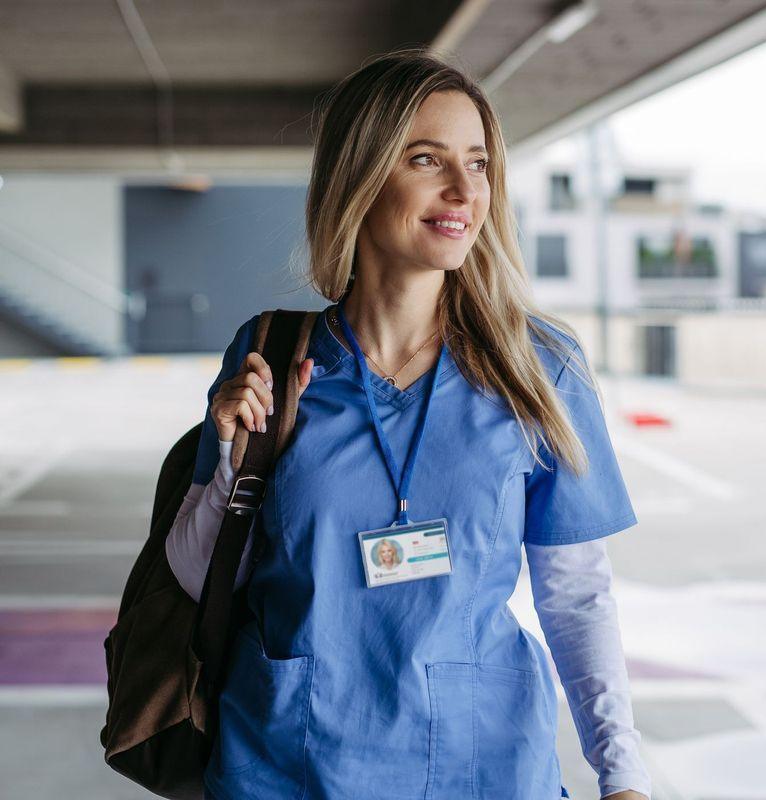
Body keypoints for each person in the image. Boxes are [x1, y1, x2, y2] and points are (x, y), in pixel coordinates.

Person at [166, 48, 651, 800]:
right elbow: (202, 578)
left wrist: (622, 776)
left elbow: (576, 595)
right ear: (359, 176)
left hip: (485, 769)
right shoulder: (272, 352)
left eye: (480, 163)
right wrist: (230, 465)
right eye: (428, 159)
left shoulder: (540, 368)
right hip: (290, 766)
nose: (465, 190)